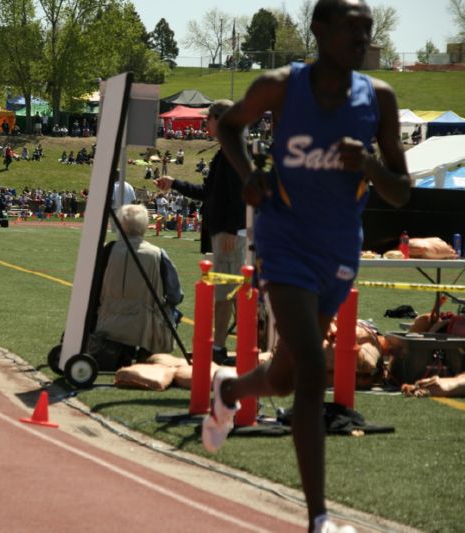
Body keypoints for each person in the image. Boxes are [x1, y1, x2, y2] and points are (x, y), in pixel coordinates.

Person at [206, 2, 411, 532]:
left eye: (367, 29)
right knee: (315, 368)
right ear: (319, 30)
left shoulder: (379, 99)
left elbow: (400, 191)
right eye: (351, 27)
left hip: (339, 250)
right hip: (285, 240)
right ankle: (319, 518)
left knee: (284, 375)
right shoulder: (280, 86)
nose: (361, 37)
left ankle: (228, 392)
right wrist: (251, 174)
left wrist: (366, 163)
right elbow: (230, 127)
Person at [155, 99, 245, 366]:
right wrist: (175, 184)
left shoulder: (232, 152)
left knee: (227, 294)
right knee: (228, 294)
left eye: (208, 119)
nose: (205, 124)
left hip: (230, 234)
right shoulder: (227, 151)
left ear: (220, 120)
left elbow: (241, 196)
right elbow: (209, 194)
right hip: (224, 232)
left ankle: (225, 347)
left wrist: (230, 229)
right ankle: (227, 346)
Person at [92, 203, 183, 363]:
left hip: (107, 321)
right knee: (175, 313)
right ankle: (148, 351)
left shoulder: (108, 250)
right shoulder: (157, 254)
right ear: (145, 225)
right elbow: (175, 295)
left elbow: (95, 287)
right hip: (145, 326)